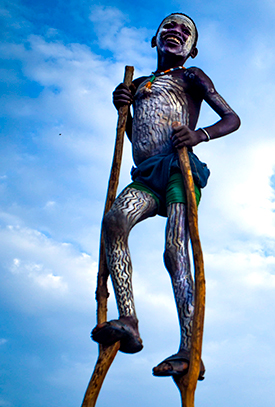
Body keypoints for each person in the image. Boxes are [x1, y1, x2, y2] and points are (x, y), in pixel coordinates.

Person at [91, 13, 240, 379]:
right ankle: (128, 319)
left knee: (175, 251)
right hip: (147, 174)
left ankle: (191, 350)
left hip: (179, 168)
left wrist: (199, 135)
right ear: (153, 39)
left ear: (193, 48)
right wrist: (122, 109)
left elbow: (232, 118)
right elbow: (138, 137)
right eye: (169, 28)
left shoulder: (191, 76)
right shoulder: (139, 84)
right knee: (115, 221)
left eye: (185, 31)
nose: (176, 32)